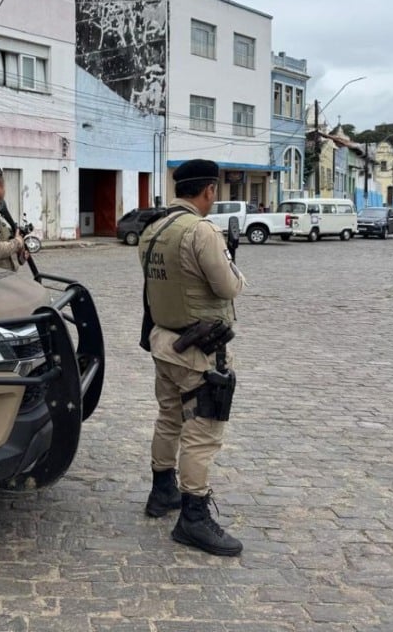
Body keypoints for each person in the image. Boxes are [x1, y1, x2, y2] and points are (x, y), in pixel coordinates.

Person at [138, 159, 246, 557]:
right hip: (199, 350)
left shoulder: (153, 228)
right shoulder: (202, 232)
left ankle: (161, 490)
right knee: (202, 432)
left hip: (163, 341)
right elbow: (228, 286)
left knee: (168, 417)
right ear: (209, 191)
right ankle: (194, 516)